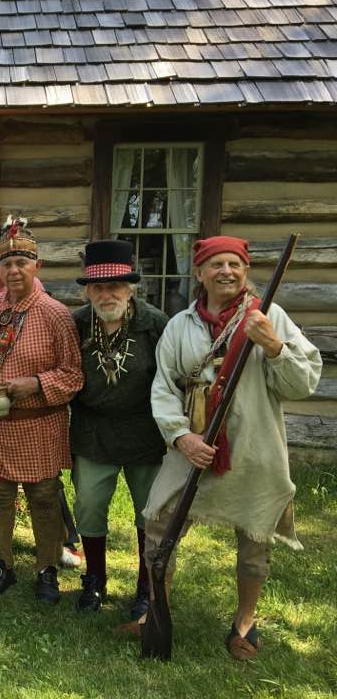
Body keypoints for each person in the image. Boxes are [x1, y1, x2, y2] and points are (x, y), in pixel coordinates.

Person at [132, 236, 321, 659]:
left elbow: (303, 384)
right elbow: (164, 387)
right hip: (193, 446)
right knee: (158, 525)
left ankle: (245, 624)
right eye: (216, 264)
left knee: (255, 540)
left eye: (234, 264)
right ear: (199, 273)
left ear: (245, 271)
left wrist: (273, 346)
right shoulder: (180, 325)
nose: (226, 271)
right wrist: (182, 437)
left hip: (254, 447)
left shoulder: (270, 317)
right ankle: (156, 614)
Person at [0, 220, 83, 601]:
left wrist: (34, 383)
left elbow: (73, 375)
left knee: (44, 497)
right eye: (7, 264)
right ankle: (3, 566)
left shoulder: (56, 314)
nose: (14, 270)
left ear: (38, 266)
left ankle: (46, 570)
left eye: (22, 262)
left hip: (40, 422)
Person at [69, 240, 169, 616]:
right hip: (93, 430)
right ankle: (95, 579)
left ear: (130, 288)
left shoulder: (154, 324)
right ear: (88, 291)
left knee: (149, 513)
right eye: (98, 287)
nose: (106, 294)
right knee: (89, 505)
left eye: (115, 286)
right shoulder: (77, 324)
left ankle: (146, 587)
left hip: (145, 430)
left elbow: (172, 379)